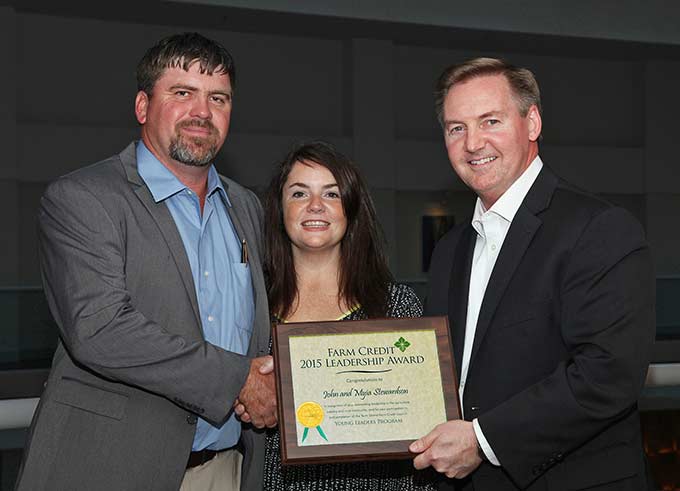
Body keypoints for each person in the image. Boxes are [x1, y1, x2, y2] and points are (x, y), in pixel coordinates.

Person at [16, 32, 276, 491]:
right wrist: (238, 379)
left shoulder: (246, 207)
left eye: (218, 98)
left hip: (228, 470)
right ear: (142, 106)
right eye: (182, 93)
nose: (202, 112)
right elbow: (99, 330)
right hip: (111, 468)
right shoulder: (83, 198)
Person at [409, 58, 655, 490]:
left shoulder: (598, 228)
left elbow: (608, 374)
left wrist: (482, 441)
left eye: (490, 121)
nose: (472, 143)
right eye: (456, 128)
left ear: (533, 122)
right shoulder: (450, 250)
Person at [259, 141, 436, 490]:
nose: (314, 206)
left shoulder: (396, 308)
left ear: (351, 210)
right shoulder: (251, 310)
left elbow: (423, 429)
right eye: (298, 193)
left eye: (331, 194)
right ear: (280, 209)